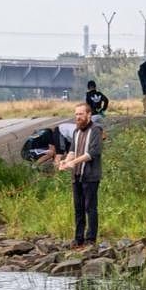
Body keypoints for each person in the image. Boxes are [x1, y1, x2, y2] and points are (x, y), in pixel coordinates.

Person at [57, 104, 102, 247]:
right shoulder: (76, 131)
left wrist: (74, 162)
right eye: (76, 114)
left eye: (81, 114)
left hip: (90, 176)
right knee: (78, 208)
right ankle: (78, 238)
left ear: (89, 115)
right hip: (76, 176)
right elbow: (72, 150)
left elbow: (92, 153)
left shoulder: (96, 130)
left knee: (91, 208)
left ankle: (90, 239)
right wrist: (66, 162)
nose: (78, 117)